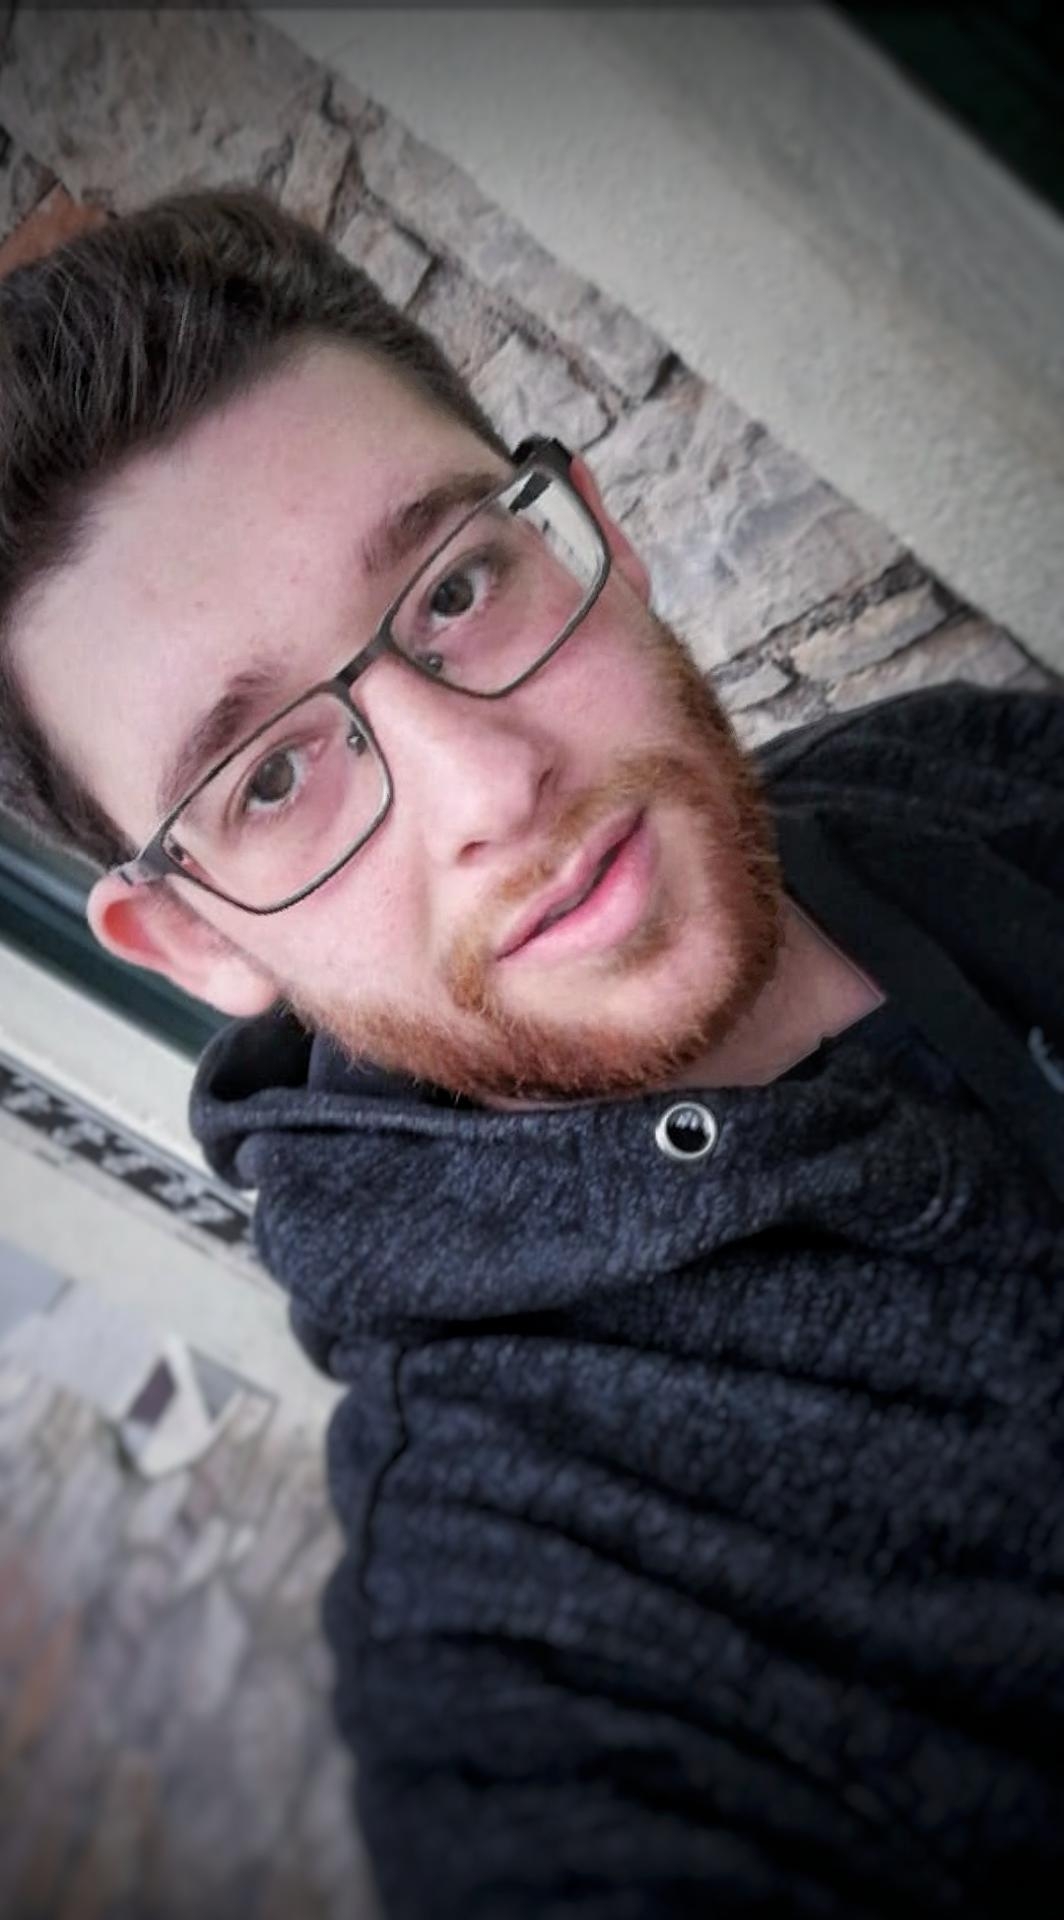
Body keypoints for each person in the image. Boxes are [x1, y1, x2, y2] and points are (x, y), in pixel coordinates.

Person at [1, 189, 1062, 1920]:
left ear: (596, 538)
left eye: (456, 586)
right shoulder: (524, 1634)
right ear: (195, 942)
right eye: (271, 778)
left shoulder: (967, 769)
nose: (493, 787)